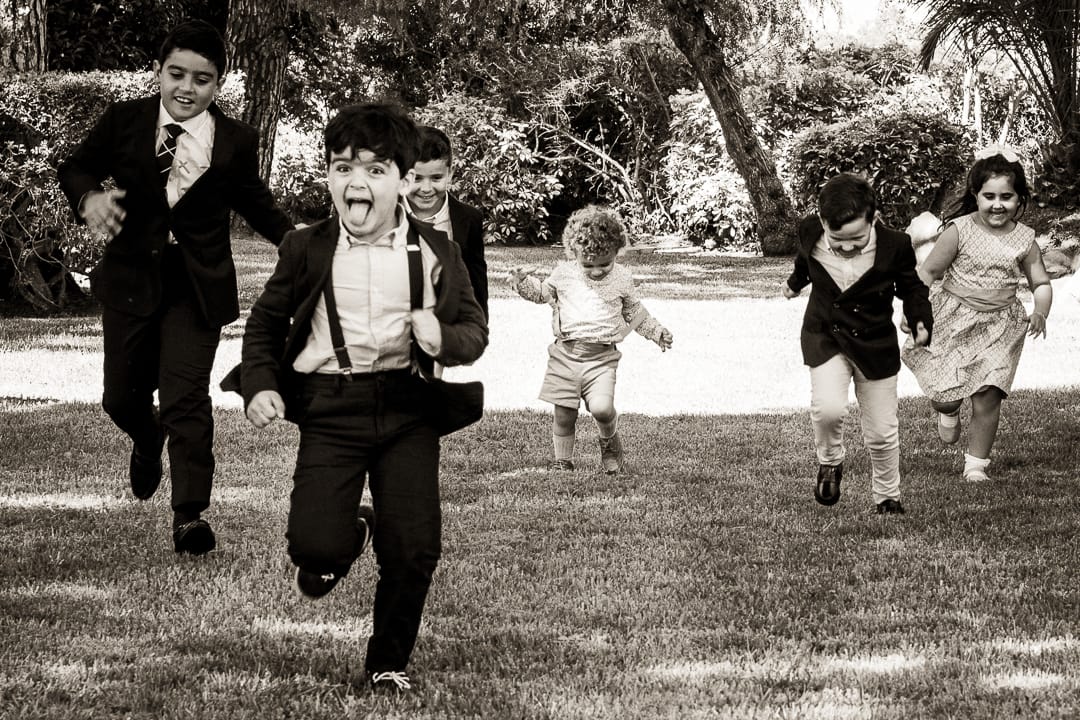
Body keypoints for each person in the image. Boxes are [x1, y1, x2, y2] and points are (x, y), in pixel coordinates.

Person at [235, 103, 488, 692]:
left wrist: (442, 338)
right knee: (314, 547)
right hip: (330, 408)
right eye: (343, 167)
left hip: (407, 409)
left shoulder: (437, 253)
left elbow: (474, 332)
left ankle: (387, 664)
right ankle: (352, 531)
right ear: (327, 175)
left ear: (403, 179)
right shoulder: (307, 248)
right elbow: (265, 326)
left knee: (416, 547)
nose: (357, 182)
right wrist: (261, 384)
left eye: (375, 170)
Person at [56, 19, 294, 554]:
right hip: (131, 281)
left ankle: (189, 515)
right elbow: (74, 167)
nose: (187, 88)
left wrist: (292, 239)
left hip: (197, 286)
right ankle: (146, 434)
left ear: (219, 83)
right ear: (159, 72)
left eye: (202, 79)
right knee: (120, 399)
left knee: (186, 397)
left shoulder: (235, 140)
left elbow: (254, 201)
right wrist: (89, 197)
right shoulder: (126, 120)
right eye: (176, 74)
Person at [782, 174, 932, 514]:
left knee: (881, 430)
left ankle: (887, 496)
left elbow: (912, 288)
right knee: (828, 408)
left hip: (874, 344)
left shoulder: (896, 246)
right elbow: (805, 262)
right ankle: (830, 461)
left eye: (857, 239)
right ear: (822, 222)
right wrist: (794, 284)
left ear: (873, 218)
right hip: (826, 336)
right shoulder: (809, 232)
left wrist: (919, 319)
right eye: (838, 240)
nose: (847, 247)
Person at [901, 147, 1052, 482]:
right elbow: (927, 275)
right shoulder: (958, 231)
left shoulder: (1025, 240)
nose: (998, 204)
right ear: (975, 195)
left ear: (1019, 198)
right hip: (953, 317)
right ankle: (948, 408)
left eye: (1007, 196)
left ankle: (975, 465)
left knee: (989, 392)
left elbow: (1040, 282)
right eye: (989, 196)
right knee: (946, 390)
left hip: (1001, 325)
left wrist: (1041, 309)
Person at [510, 205, 673, 474]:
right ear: (573, 253)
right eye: (588, 265)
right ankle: (563, 461)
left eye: (604, 264)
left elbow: (634, 312)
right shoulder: (563, 274)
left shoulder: (622, 278)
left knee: (602, 408)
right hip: (565, 354)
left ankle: (610, 443)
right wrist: (523, 282)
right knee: (564, 412)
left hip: (602, 356)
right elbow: (541, 294)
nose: (597, 271)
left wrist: (657, 332)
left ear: (617, 251)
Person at [404, 125, 488, 319]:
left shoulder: (469, 219)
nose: (426, 188)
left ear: (449, 173)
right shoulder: (384, 216)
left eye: (436, 178)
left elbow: (477, 288)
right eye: (416, 178)